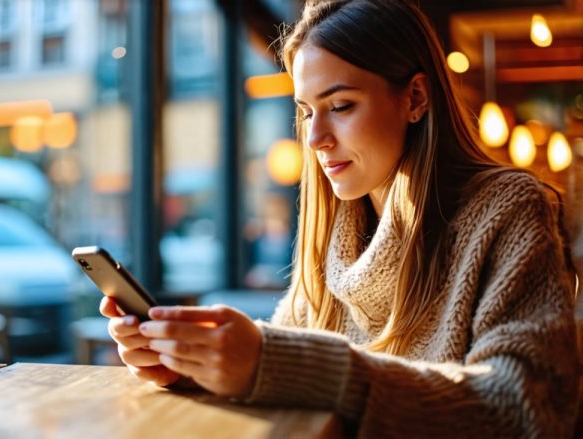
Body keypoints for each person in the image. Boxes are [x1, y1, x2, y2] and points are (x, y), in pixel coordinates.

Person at [100, 0, 580, 436]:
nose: (315, 138)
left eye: (341, 106)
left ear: (415, 98)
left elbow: (522, 407)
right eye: (307, 112)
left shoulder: (510, 209)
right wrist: (198, 366)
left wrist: (280, 364)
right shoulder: (335, 232)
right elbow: (284, 367)